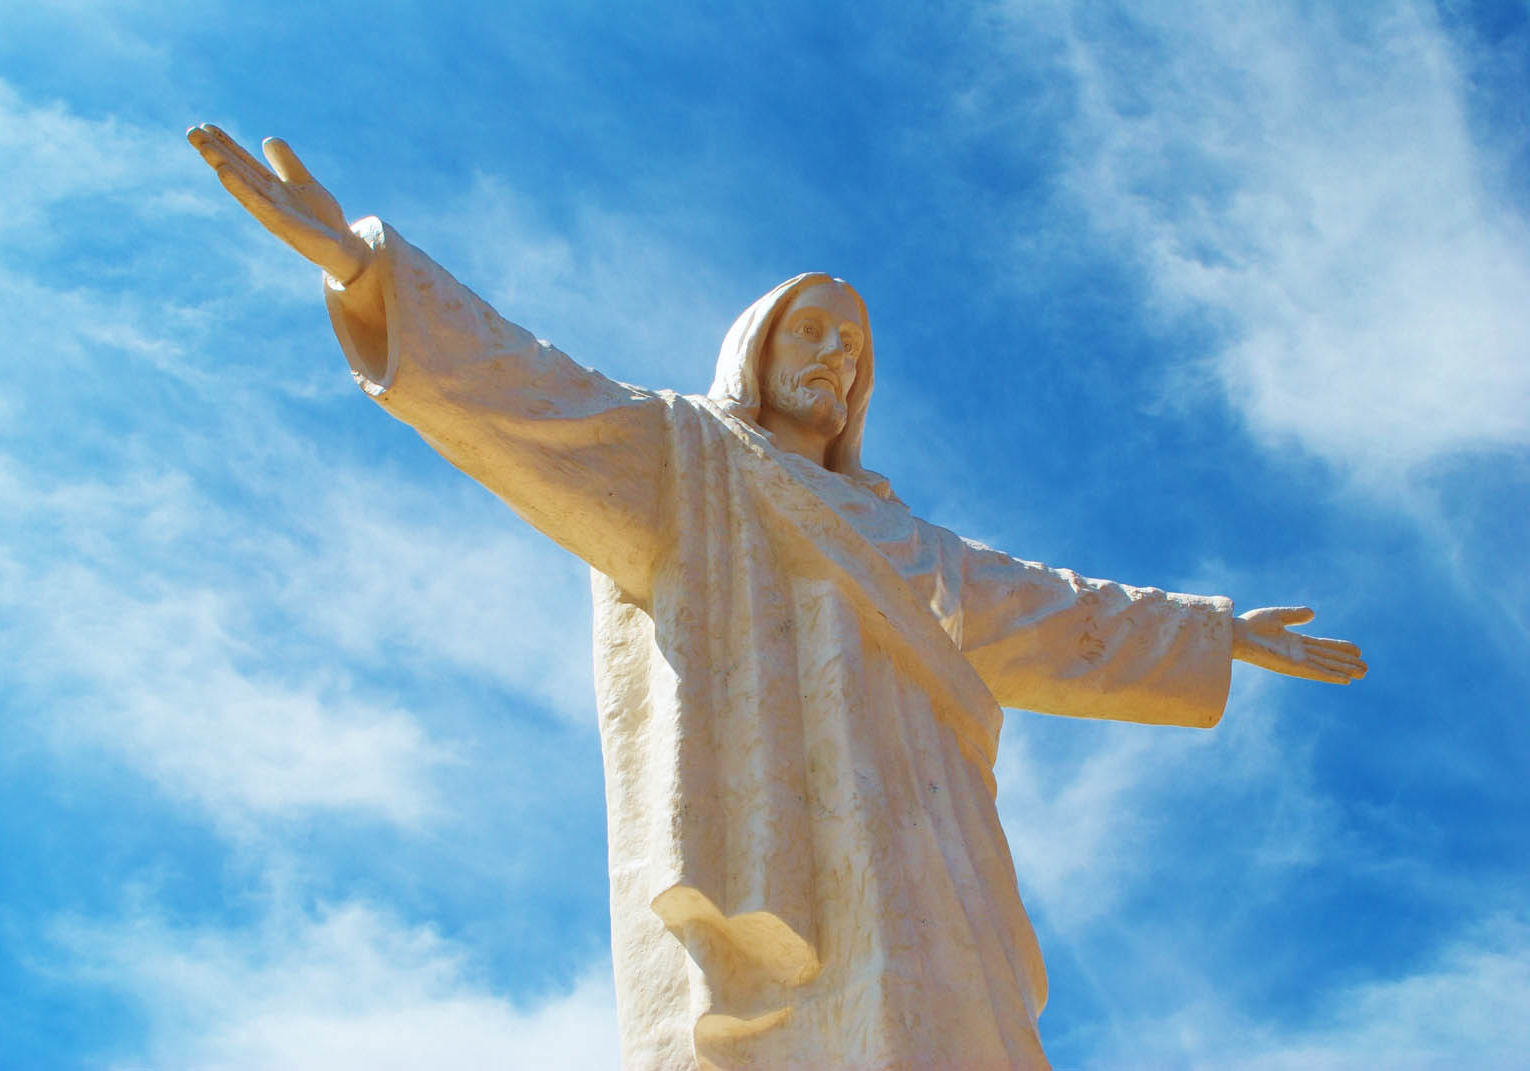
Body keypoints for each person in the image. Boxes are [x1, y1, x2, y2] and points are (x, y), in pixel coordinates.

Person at [188, 126, 1366, 1071]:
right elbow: (530, 397)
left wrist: (1211, 633)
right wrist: (366, 271)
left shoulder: (909, 541)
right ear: (756, 345)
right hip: (780, 837)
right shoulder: (684, 462)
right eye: (813, 330)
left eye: (854, 347)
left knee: (935, 1016)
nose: (838, 358)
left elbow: (1045, 611)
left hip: (924, 839)